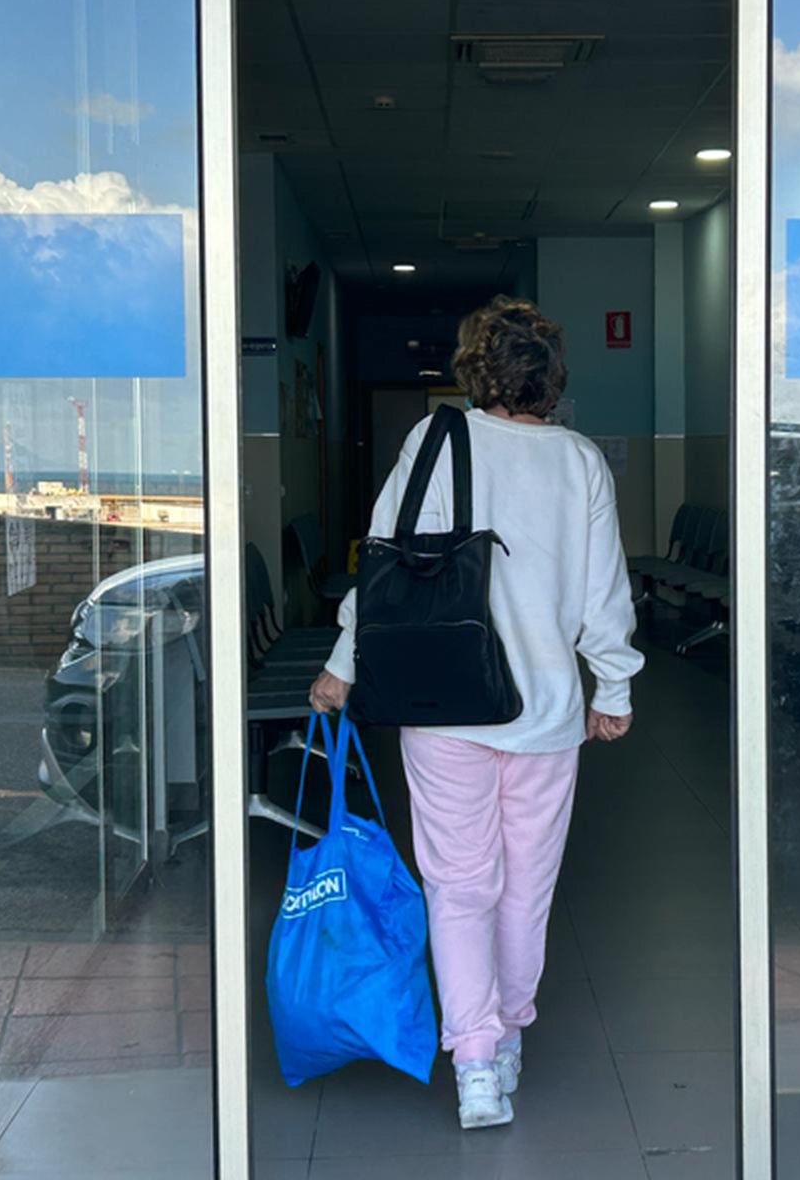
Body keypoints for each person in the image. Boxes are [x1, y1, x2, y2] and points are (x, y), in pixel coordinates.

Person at [309, 296, 644, 1128]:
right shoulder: (580, 463)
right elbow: (605, 592)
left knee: (460, 888)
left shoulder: (435, 439)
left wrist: (342, 666)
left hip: (444, 703)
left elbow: (383, 571)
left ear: (474, 372)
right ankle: (510, 1029)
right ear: (550, 379)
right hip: (546, 712)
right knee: (526, 887)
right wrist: (615, 687)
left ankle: (477, 1063)